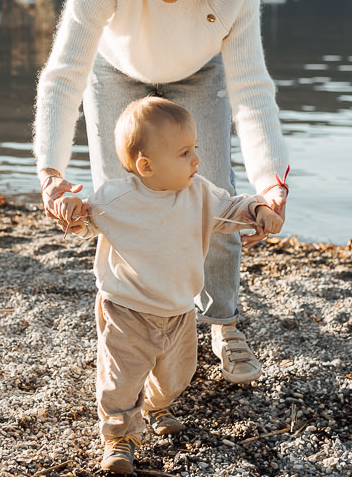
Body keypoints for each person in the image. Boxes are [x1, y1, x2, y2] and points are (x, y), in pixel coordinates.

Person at [33, 0, 290, 386]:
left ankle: (222, 320)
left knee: (214, 192)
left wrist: (272, 184)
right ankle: (130, 322)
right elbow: (65, 73)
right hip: (116, 71)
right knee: (122, 203)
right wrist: (51, 171)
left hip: (199, 72)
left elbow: (252, 89)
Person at [53, 97, 284, 473]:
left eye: (195, 149)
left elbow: (232, 206)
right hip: (126, 309)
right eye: (184, 153)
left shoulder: (199, 193)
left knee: (178, 375)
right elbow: (83, 221)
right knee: (121, 380)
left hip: (179, 309)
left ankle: (156, 405)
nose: (196, 160)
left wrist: (259, 210)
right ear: (146, 166)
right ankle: (119, 438)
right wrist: (70, 209)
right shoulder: (117, 197)